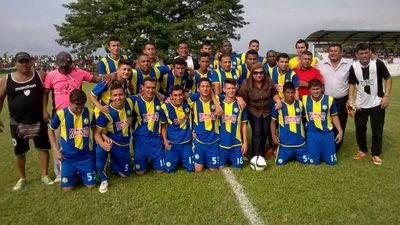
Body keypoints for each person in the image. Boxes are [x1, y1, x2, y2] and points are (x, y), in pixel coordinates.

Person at [43, 51, 103, 182]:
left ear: (71, 64)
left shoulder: (80, 73)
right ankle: (60, 173)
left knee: (81, 141)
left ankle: (84, 169)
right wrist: (44, 109)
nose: (63, 69)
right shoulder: (51, 75)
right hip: (60, 114)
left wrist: (109, 76)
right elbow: (46, 93)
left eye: (66, 66)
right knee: (59, 144)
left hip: (80, 114)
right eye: (61, 66)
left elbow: (96, 79)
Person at [0, 52, 54, 191]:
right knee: (19, 152)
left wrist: (45, 110)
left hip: (38, 119)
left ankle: (45, 175)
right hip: (17, 122)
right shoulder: (7, 79)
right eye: (20, 62)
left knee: (43, 148)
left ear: (31, 62)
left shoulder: (40, 75)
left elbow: (48, 90)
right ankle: (22, 178)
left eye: (26, 61)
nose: (24, 64)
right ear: (15, 64)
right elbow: (0, 98)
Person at [348, 43, 392, 165]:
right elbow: (352, 83)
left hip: (377, 102)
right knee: (360, 128)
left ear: (370, 52)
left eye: (366, 52)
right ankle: (363, 150)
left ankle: (376, 154)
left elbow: (388, 78)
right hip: (360, 104)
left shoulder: (377, 63)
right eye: (361, 53)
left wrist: (386, 96)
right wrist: (350, 98)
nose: (364, 55)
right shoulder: (353, 67)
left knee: (377, 129)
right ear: (357, 54)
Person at [48, 89, 96, 192]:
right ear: (70, 103)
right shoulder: (61, 114)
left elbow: (95, 130)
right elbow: (50, 130)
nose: (79, 110)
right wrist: (56, 150)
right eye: (76, 108)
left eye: (81, 107)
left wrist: (96, 149)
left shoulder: (90, 113)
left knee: (92, 187)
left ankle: (80, 173)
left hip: (85, 157)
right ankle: (74, 174)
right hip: (68, 158)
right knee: (67, 189)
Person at [94, 83, 134, 193]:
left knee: (125, 174)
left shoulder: (130, 102)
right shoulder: (106, 112)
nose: (118, 98)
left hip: (124, 144)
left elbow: (144, 94)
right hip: (112, 142)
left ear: (125, 95)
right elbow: (96, 133)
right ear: (111, 97)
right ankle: (103, 178)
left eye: (120, 94)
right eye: (115, 95)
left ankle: (112, 164)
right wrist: (104, 144)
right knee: (100, 150)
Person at [238, 63, 281, 158]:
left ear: (264, 73)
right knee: (257, 131)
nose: (258, 75)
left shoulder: (269, 81)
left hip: (266, 110)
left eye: (261, 73)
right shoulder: (246, 83)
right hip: (253, 110)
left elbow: (274, 93)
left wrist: (278, 100)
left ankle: (262, 150)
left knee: (265, 131)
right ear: (252, 73)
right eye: (256, 73)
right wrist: (239, 99)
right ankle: (257, 155)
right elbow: (240, 96)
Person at [316, 43, 353, 152]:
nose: (333, 53)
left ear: (341, 52)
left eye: (336, 50)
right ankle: (324, 146)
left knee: (340, 125)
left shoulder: (349, 64)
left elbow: (352, 82)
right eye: (331, 50)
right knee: (325, 125)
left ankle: (335, 149)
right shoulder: (320, 64)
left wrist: (350, 98)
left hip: (342, 100)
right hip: (324, 100)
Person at [303, 79, 343, 165]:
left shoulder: (330, 100)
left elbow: (334, 116)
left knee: (332, 162)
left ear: (322, 88)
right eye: (313, 89)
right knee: (314, 163)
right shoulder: (304, 99)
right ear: (309, 90)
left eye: (317, 88)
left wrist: (340, 131)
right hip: (312, 134)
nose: (315, 91)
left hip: (327, 134)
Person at [132, 77, 165, 175]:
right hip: (141, 139)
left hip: (156, 139)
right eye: (148, 87)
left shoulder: (161, 101)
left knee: (160, 171)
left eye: (153, 88)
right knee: (140, 173)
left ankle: (151, 158)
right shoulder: (134, 101)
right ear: (142, 87)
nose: (150, 90)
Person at [189, 78, 222, 172]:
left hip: (214, 140)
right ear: (198, 88)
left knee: (213, 169)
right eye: (202, 86)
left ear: (211, 88)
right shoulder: (193, 101)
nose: (205, 89)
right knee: (198, 170)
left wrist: (238, 98)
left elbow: (230, 97)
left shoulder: (218, 99)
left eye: (207, 86)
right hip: (199, 140)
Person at [271, 82, 308, 165]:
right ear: (283, 93)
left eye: (292, 92)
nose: (290, 95)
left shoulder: (300, 104)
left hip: (300, 144)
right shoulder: (278, 106)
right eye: (288, 93)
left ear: (295, 92)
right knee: (279, 163)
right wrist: (273, 135)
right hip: (284, 145)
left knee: (307, 162)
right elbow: (273, 121)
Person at [160, 85, 194, 173]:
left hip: (186, 142)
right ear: (170, 96)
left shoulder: (189, 103)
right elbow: (163, 126)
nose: (178, 98)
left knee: (191, 168)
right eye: (175, 95)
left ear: (184, 95)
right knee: (169, 169)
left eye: (180, 95)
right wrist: (165, 141)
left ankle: (183, 158)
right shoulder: (164, 107)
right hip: (173, 143)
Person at [218, 79, 248, 169]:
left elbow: (244, 124)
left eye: (233, 88)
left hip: (235, 144)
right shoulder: (218, 104)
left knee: (239, 167)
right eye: (229, 88)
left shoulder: (241, 105)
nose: (231, 90)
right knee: (220, 167)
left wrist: (245, 142)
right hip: (221, 144)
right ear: (224, 89)